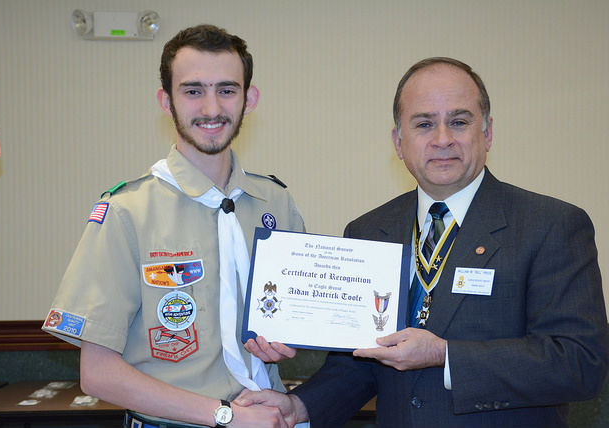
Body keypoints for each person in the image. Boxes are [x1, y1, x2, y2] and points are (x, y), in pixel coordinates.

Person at [236, 57, 609, 427]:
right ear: (399, 141)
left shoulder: (551, 225)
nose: (443, 139)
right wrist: (299, 406)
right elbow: (359, 364)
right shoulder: (369, 230)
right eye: (424, 124)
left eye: (459, 122)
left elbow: (579, 362)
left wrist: (445, 355)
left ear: (488, 132)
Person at [42, 24, 304, 428]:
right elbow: (97, 374)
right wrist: (224, 416)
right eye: (193, 90)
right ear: (166, 101)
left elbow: (297, 320)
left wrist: (285, 343)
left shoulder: (276, 203)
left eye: (227, 90)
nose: (212, 108)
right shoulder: (127, 212)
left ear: (249, 99)